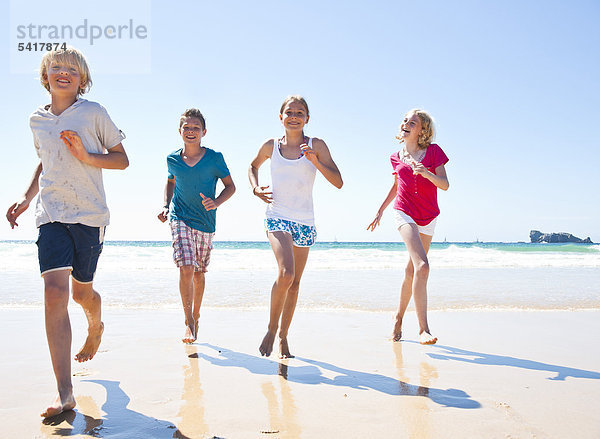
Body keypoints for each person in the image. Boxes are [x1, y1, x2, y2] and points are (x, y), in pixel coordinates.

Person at [5, 47, 129, 418]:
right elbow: (44, 161)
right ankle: (65, 392)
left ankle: (96, 324)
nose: (63, 73)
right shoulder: (36, 120)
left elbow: (121, 158)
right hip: (52, 213)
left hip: (90, 215)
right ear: (45, 76)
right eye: (56, 68)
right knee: (54, 291)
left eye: (71, 70)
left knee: (82, 293)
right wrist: (27, 197)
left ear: (82, 79)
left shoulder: (94, 112)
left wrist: (87, 157)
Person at [249, 95, 343, 358]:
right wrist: (255, 188)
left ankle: (283, 337)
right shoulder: (271, 146)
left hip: (305, 221)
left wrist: (315, 161)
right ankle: (271, 327)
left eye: (300, 112)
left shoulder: (317, 145)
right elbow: (253, 166)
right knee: (286, 273)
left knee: (296, 283)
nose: (294, 116)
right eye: (289, 112)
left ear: (307, 119)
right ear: (281, 117)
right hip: (277, 215)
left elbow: (338, 182)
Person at [367, 109, 449, 345]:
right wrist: (381, 209)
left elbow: (444, 185)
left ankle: (398, 317)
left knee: (411, 270)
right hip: (404, 212)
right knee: (422, 267)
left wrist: (427, 173)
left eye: (413, 122)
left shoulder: (434, 152)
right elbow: (397, 186)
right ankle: (424, 329)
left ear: (422, 130)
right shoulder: (396, 156)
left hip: (429, 215)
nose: (406, 123)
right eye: (405, 120)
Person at [157, 108, 235, 344]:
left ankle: (196, 315)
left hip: (205, 223)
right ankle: (188, 322)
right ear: (180, 131)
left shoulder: (215, 158)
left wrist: (216, 202)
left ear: (204, 132)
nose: (191, 132)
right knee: (186, 267)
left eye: (195, 128)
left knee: (199, 274)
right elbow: (170, 182)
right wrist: (165, 206)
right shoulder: (172, 159)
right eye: (187, 128)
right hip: (179, 217)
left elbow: (231, 186)